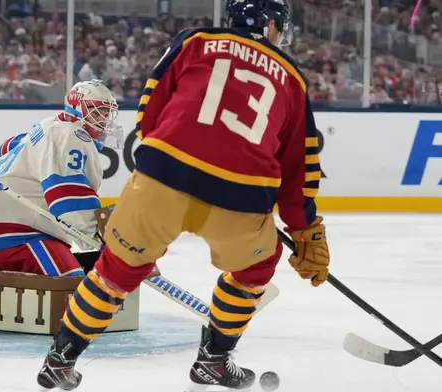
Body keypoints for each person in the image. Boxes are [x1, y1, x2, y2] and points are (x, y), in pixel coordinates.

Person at [36, 0, 331, 390]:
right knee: (255, 269)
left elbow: (151, 107)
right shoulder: (291, 77)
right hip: (239, 194)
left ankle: (61, 359)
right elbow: (300, 166)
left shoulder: (194, 41)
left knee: (116, 270)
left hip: (162, 176)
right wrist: (305, 228)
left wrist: (158, 161)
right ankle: (214, 359)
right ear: (272, 25)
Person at [0, 79, 122, 277]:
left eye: (106, 114)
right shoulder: (71, 136)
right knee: (71, 287)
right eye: (96, 111)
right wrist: (99, 235)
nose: (102, 120)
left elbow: (12, 147)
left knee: (73, 277)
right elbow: (66, 194)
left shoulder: (52, 125)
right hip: (16, 229)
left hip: (2, 219)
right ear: (75, 108)